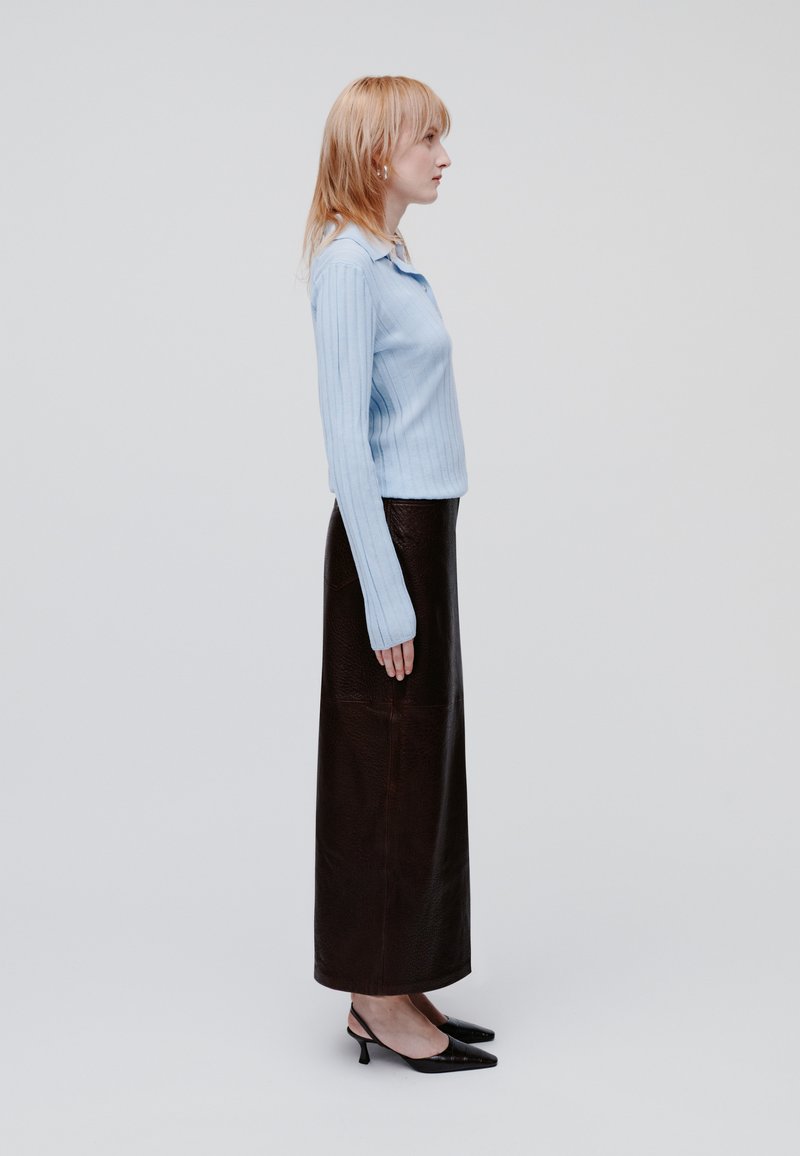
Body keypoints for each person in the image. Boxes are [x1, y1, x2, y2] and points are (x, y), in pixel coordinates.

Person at [300, 75, 497, 1074]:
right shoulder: (347, 266)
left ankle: (397, 977)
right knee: (382, 767)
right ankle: (374, 999)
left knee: (416, 768)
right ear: (379, 152)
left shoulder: (390, 257)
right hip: (391, 539)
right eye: (427, 140)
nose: (442, 157)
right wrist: (385, 592)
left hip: (425, 530)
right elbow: (346, 441)